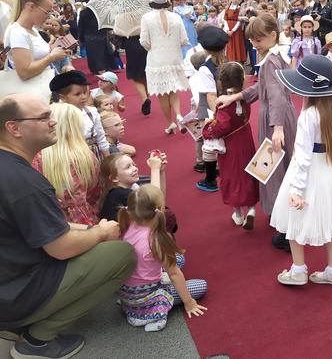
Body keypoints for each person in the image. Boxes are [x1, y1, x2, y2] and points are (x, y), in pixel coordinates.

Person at [0, 93, 135, 359]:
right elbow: (60, 248)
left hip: (10, 279)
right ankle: (37, 340)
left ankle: (17, 324)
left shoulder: (12, 170)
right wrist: (100, 233)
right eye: (43, 118)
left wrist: (86, 231)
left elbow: (47, 226)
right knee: (121, 255)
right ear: (13, 128)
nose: (53, 122)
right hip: (17, 290)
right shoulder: (24, 181)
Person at [270, 55, 332, 286]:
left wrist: (296, 189)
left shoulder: (308, 115)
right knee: (330, 219)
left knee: (295, 218)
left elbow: (303, 156)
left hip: (310, 173)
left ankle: (298, 270)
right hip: (330, 170)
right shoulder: (331, 110)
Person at [216, 14, 297, 250]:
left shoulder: (271, 60)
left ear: (273, 35)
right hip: (280, 118)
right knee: (282, 168)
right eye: (252, 40)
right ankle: (288, 220)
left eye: (258, 40)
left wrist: (277, 128)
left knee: (275, 172)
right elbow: (263, 88)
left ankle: (286, 227)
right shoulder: (276, 54)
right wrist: (238, 96)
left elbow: (276, 96)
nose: (254, 44)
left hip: (275, 121)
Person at [117, 184, 207, 332]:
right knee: (201, 286)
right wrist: (189, 302)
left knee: (179, 259)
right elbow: (174, 273)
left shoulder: (126, 225)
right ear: (159, 209)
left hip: (127, 293)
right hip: (145, 297)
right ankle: (150, 311)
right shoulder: (156, 240)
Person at [203, 62, 260, 228]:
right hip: (245, 139)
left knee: (232, 175)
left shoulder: (223, 103)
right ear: (242, 80)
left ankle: (238, 213)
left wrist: (207, 127)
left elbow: (222, 126)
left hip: (230, 146)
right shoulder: (243, 98)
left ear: (221, 82)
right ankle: (251, 209)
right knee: (248, 171)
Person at [34, 102, 101, 225]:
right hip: (84, 223)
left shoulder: (36, 158)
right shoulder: (87, 157)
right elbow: (94, 193)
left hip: (50, 224)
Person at [2, 0, 67, 103]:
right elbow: (24, 72)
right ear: (30, 6)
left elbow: (35, 55)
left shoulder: (31, 30)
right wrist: (52, 57)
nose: (48, 17)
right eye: (46, 12)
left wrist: (51, 50)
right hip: (35, 94)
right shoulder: (18, 32)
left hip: (42, 89)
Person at [140, 0, 189, 135]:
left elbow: (144, 42)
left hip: (156, 59)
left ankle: (170, 123)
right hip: (173, 56)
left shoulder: (146, 17)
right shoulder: (176, 17)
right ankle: (179, 115)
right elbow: (184, 40)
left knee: (162, 93)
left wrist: (154, 47)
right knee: (173, 90)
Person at [192, 25, 229, 193]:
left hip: (209, 107)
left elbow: (208, 95)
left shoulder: (205, 68)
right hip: (227, 104)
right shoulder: (228, 63)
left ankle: (210, 179)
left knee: (208, 141)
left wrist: (214, 116)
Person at [49, 70, 111, 160]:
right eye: (77, 94)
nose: (83, 97)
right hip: (70, 159)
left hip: (93, 158)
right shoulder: (57, 117)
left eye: (85, 92)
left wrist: (108, 162)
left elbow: (101, 139)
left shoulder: (92, 113)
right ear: (62, 97)